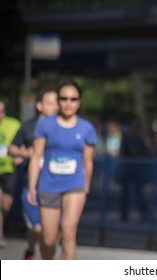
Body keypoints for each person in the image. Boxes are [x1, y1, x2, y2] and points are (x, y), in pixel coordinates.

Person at [27, 79, 97, 259]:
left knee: (67, 232)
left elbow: (88, 161)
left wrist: (86, 186)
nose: (68, 103)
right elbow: (36, 156)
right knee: (49, 240)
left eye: (73, 99)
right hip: (48, 185)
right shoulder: (45, 125)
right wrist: (32, 187)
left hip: (75, 185)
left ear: (79, 102)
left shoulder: (86, 128)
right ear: (58, 100)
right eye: (64, 98)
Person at [8, 86, 59, 259]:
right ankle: (31, 249)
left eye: (56, 103)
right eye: (50, 103)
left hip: (55, 187)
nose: (55, 107)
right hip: (32, 186)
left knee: (51, 231)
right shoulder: (29, 127)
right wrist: (25, 153)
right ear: (39, 105)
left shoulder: (63, 128)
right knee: (37, 228)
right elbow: (12, 148)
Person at [0, 99, 21, 248]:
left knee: (5, 205)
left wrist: (19, 155)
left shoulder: (14, 124)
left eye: (1, 111)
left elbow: (22, 143)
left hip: (8, 169)